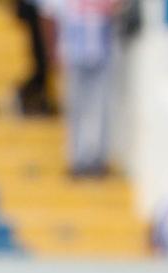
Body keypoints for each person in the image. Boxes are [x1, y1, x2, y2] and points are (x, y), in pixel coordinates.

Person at [50, 0, 119, 178]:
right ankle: (77, 158)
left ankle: (97, 158)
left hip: (102, 54)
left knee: (102, 107)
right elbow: (55, 18)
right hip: (75, 54)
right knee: (76, 108)